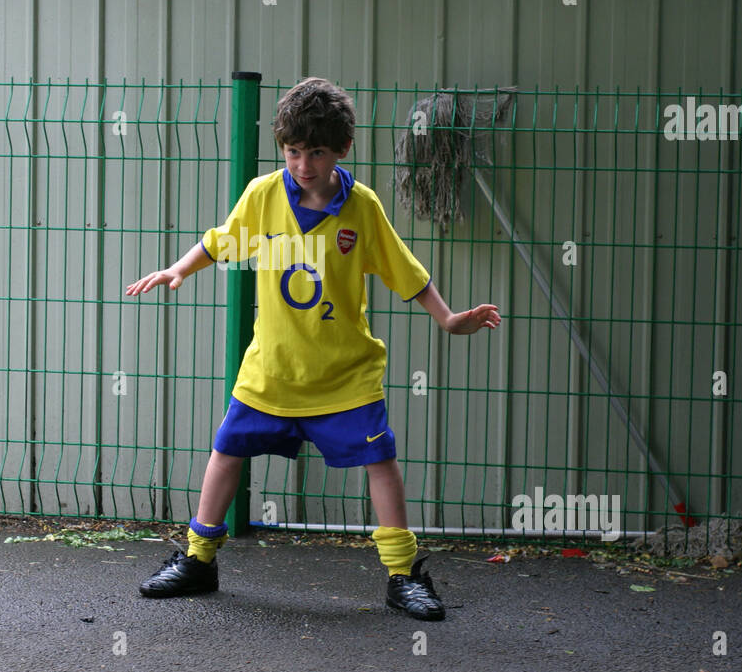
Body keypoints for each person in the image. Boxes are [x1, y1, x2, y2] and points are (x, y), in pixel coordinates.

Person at [126, 77, 501, 619]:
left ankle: (403, 576)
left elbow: (406, 271)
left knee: (380, 460)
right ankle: (197, 560)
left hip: (345, 376)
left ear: (341, 149)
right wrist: (178, 268)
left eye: (316, 152)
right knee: (226, 452)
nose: (303, 164)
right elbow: (222, 239)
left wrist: (447, 319)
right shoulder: (262, 196)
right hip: (272, 372)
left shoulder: (363, 208)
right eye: (293, 151)